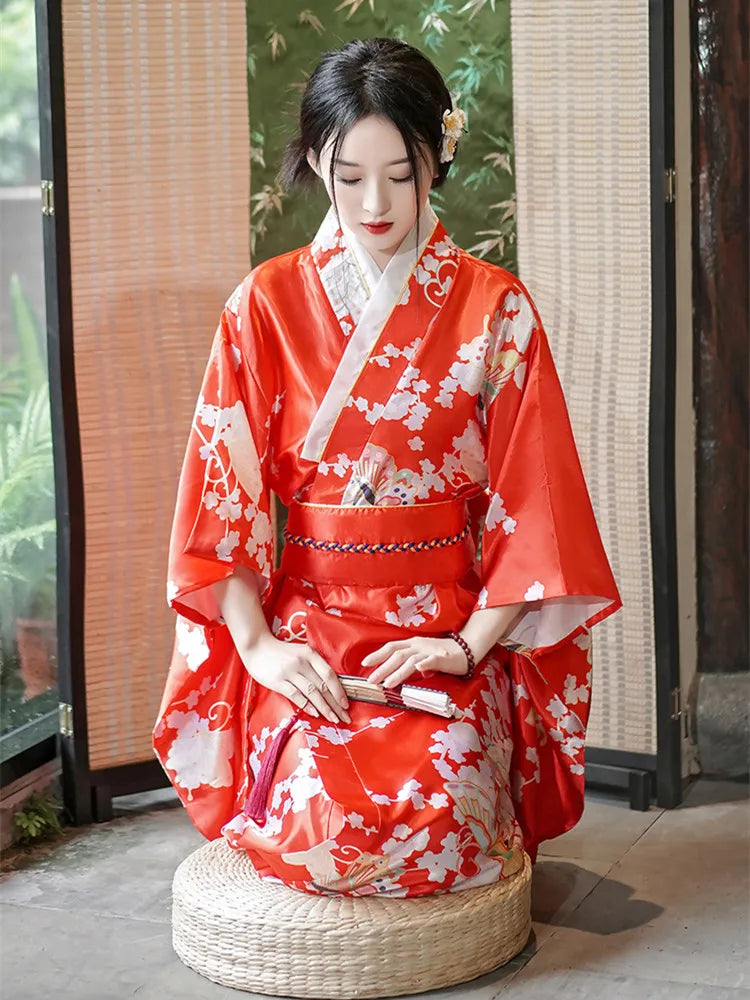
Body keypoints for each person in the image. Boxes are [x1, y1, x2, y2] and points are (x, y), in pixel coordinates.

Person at [153, 37, 621, 897]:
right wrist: (257, 647)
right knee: (316, 823)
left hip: (443, 626)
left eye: (400, 175)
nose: (376, 203)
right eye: (349, 173)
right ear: (315, 166)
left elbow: (536, 498)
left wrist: (463, 645)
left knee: (443, 826)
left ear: (435, 161)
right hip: (311, 627)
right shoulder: (264, 305)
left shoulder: (495, 308)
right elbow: (224, 495)